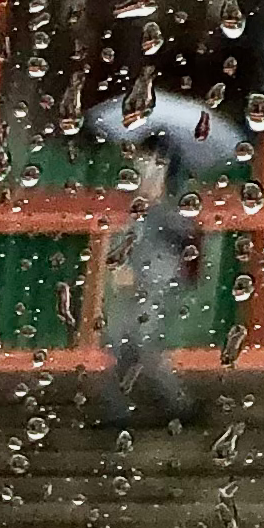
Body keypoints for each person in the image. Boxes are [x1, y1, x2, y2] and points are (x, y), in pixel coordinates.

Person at [95, 143, 200, 433]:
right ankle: (116, 409)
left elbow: (183, 236)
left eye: (154, 163)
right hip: (134, 283)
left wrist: (157, 205)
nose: (145, 168)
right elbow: (129, 239)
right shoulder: (138, 204)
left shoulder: (174, 207)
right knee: (119, 344)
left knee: (145, 344)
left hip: (158, 283)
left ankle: (179, 403)